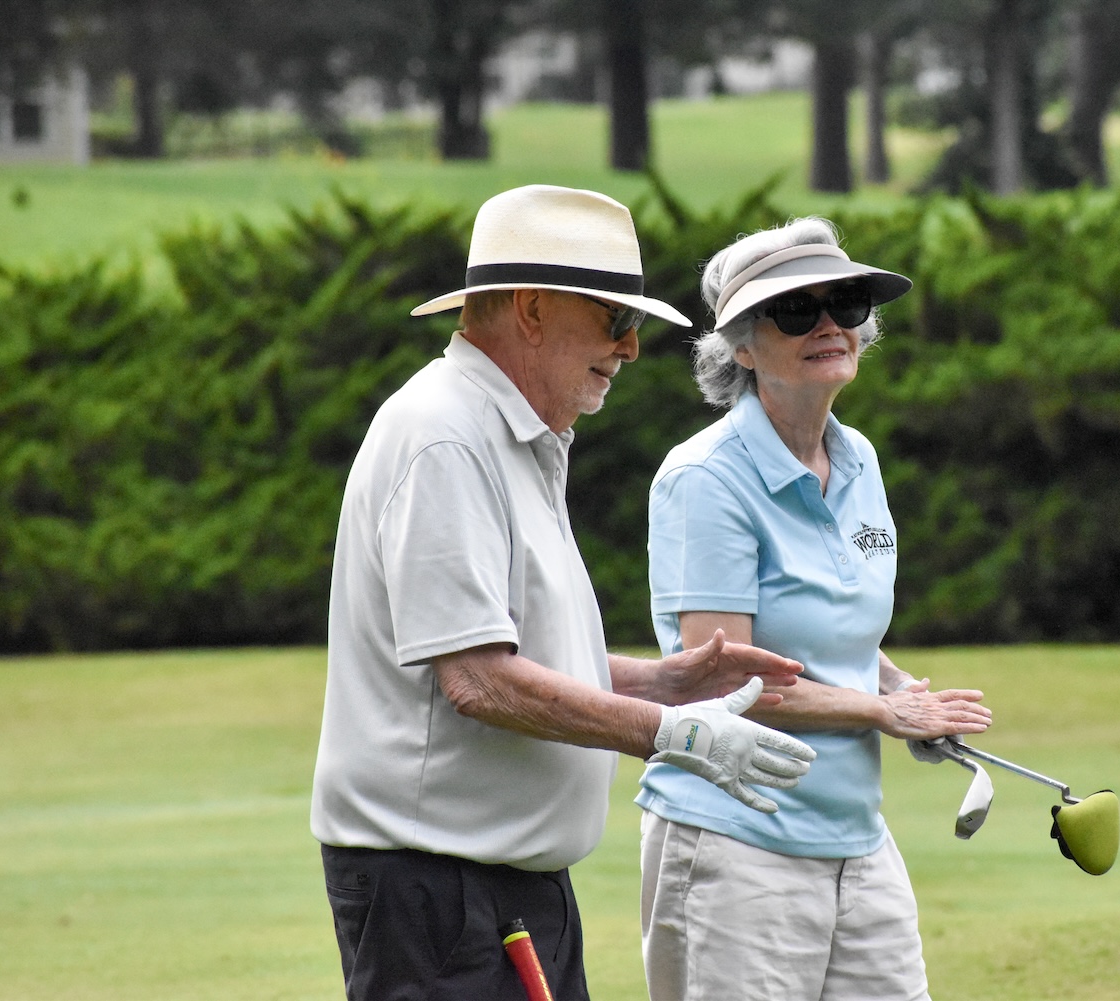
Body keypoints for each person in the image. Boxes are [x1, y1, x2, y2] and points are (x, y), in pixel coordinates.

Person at [309, 185, 817, 1001]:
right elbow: (476, 678)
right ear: (532, 309)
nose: (631, 347)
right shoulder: (444, 434)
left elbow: (510, 650)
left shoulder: (513, 433)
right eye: (616, 319)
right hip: (439, 892)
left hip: (500, 886)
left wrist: (662, 682)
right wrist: (673, 733)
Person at [637, 218, 993, 1001]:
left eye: (847, 304)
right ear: (741, 347)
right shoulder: (705, 479)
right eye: (797, 310)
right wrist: (880, 712)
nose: (830, 324)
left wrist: (903, 693)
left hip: (856, 839)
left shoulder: (858, 457)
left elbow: (844, 632)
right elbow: (722, 681)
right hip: (734, 844)